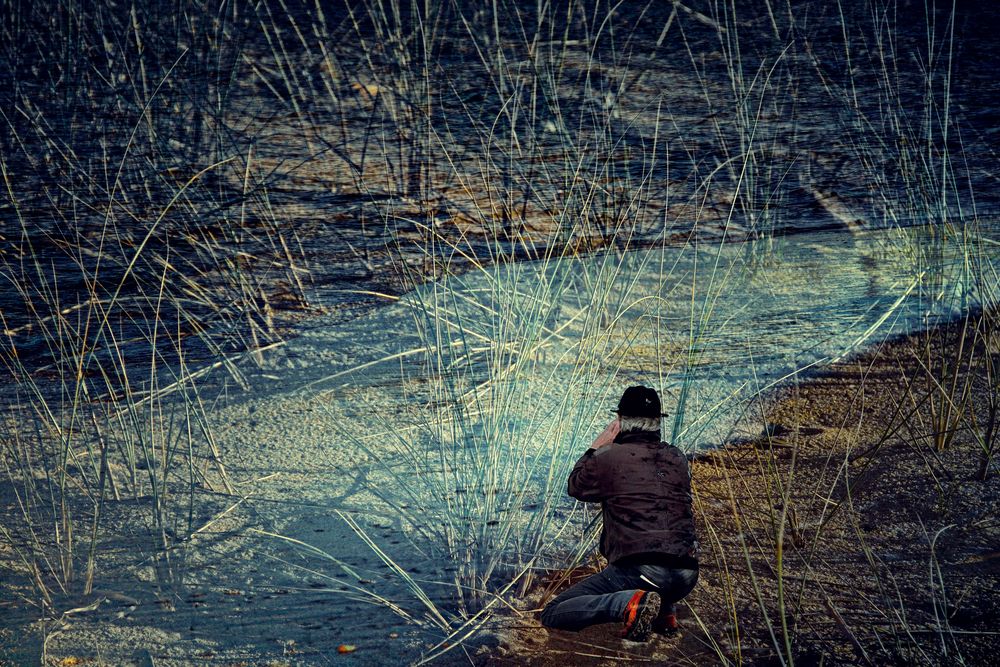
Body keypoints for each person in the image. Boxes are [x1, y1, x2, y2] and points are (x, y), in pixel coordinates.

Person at [540, 385, 699, 642]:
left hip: (641, 573)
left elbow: (576, 486)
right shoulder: (676, 457)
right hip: (686, 575)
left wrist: (595, 447)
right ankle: (665, 613)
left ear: (620, 421)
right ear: (658, 422)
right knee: (664, 534)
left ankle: (629, 604)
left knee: (553, 612)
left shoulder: (608, 456)